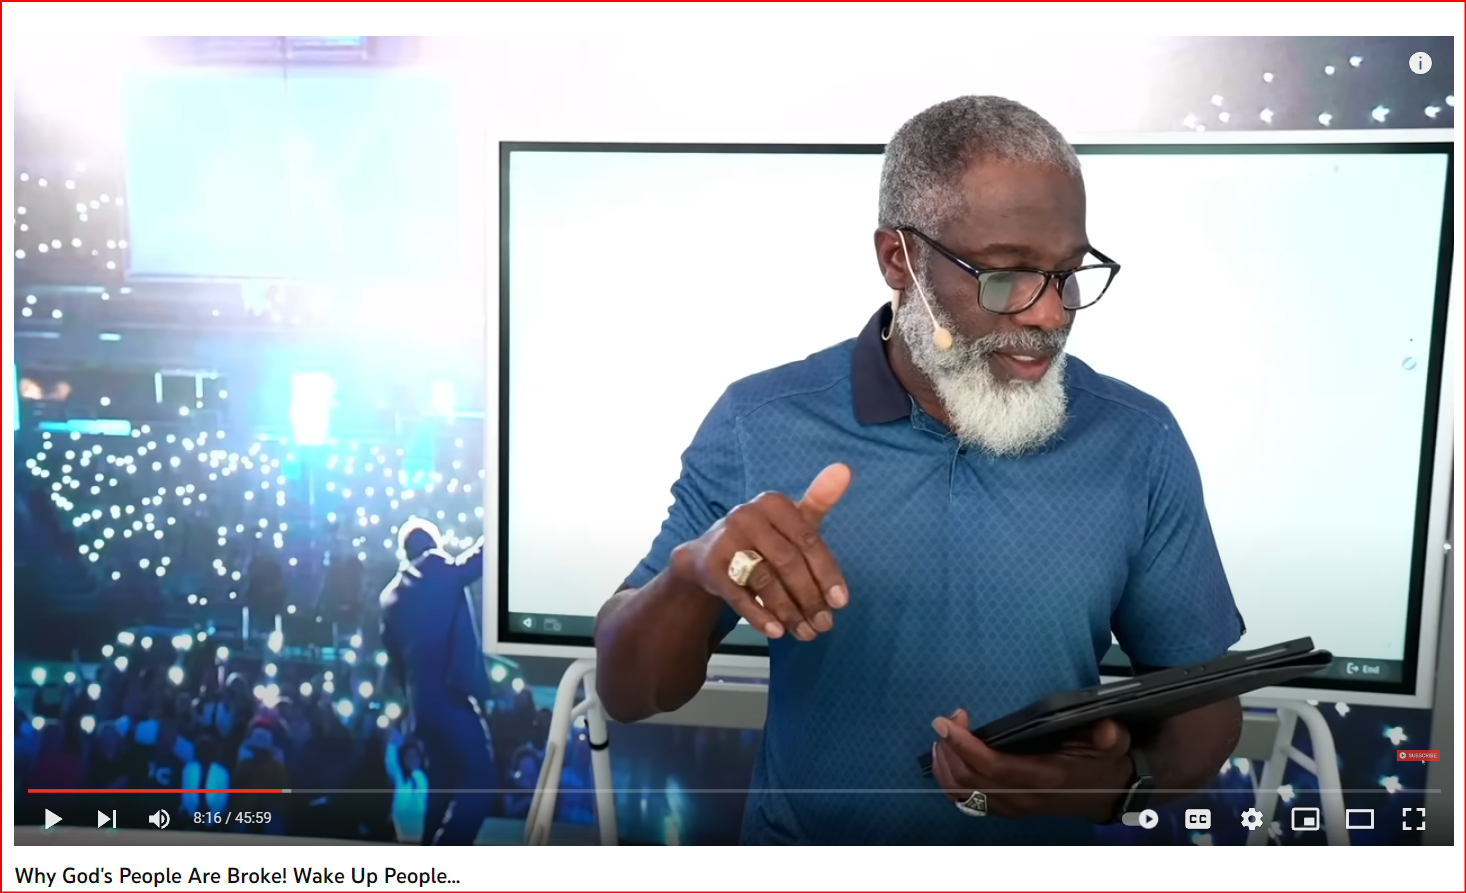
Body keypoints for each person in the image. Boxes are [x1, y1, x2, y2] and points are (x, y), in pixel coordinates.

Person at [593, 95, 1246, 845]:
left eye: (1068, 274)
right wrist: (692, 575)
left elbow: (1206, 707)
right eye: (1006, 275)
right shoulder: (759, 422)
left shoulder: (1138, 440)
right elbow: (629, 692)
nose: (1050, 314)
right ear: (898, 259)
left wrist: (1116, 786)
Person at [379, 518, 495, 845]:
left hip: (421, 707)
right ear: (434, 545)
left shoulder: (390, 597)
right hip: (450, 695)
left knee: (442, 781)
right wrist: (502, 522)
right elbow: (478, 561)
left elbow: (394, 660)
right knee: (482, 778)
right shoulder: (436, 565)